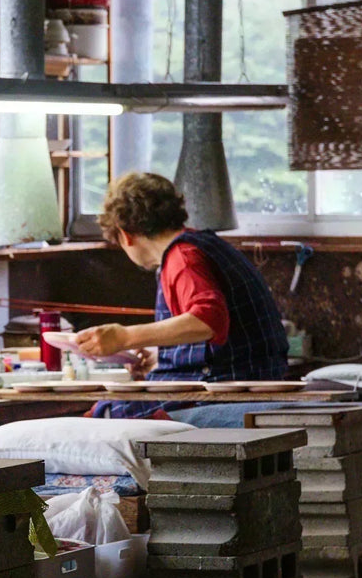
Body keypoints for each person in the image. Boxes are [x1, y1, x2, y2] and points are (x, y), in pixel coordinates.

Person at [74, 172, 287, 418]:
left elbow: (208, 319)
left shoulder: (182, 258)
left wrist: (124, 337)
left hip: (230, 385)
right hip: (254, 373)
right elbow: (223, 336)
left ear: (125, 235)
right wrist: (164, 354)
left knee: (105, 414)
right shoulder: (205, 243)